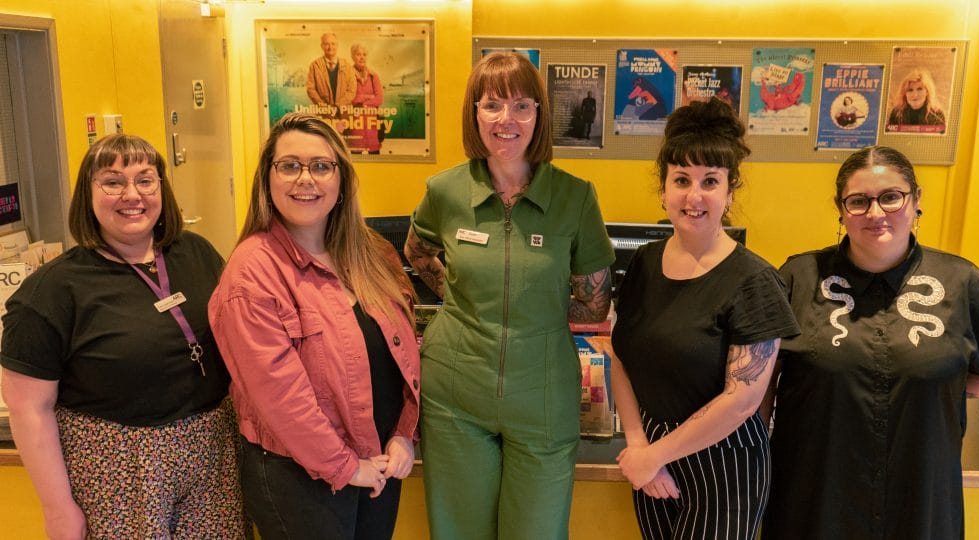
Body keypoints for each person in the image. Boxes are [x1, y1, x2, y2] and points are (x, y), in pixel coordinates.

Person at [404, 51, 615, 539]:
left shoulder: (575, 197)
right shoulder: (444, 192)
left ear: (539, 114)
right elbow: (418, 253)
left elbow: (596, 303)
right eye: (492, 105)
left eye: (522, 105)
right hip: (455, 392)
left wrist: (531, 313)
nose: (507, 119)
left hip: (543, 395)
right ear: (473, 114)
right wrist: (458, 296)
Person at [761, 146, 979, 540]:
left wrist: (936, 382)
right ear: (841, 209)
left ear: (915, 201)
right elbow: (761, 382)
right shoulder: (799, 276)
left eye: (890, 197)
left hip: (918, 498)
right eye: (859, 201)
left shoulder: (961, 281)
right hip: (815, 497)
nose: (876, 213)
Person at [0, 134, 246, 539]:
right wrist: (58, 509)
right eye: (112, 181)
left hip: (212, 456)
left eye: (145, 180)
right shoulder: (52, 291)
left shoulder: (197, 253)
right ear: (88, 195)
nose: (132, 194)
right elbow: (28, 409)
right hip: (120, 470)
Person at [592, 98, 800, 540]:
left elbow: (741, 400)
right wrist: (638, 445)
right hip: (650, 451)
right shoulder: (645, 263)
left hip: (724, 463)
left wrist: (654, 455)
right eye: (681, 180)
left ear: (729, 192)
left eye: (710, 181)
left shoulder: (755, 281)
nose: (694, 195)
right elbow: (622, 354)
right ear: (664, 188)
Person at [208, 112, 420, 540]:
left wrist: (403, 435)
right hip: (300, 479)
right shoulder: (252, 273)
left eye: (321, 166)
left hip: (376, 466)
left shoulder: (372, 254)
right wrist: (345, 467)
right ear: (267, 179)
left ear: (342, 180)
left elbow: (401, 352)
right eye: (289, 165)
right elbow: (281, 398)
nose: (306, 178)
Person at [347, 43, 386, 154]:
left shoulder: (373, 75)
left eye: (364, 54)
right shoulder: (347, 75)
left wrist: (363, 104)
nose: (362, 57)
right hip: (355, 125)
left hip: (372, 125)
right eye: (358, 54)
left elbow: (379, 99)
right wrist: (368, 97)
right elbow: (348, 98)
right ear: (352, 56)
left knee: (375, 159)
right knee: (355, 160)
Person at [306, 32, 357, 112]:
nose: (330, 47)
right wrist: (324, 107)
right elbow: (311, 89)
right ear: (322, 46)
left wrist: (338, 105)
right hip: (324, 114)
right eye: (327, 44)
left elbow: (352, 89)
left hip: (344, 113)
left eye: (333, 44)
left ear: (337, 45)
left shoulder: (347, 66)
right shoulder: (315, 66)